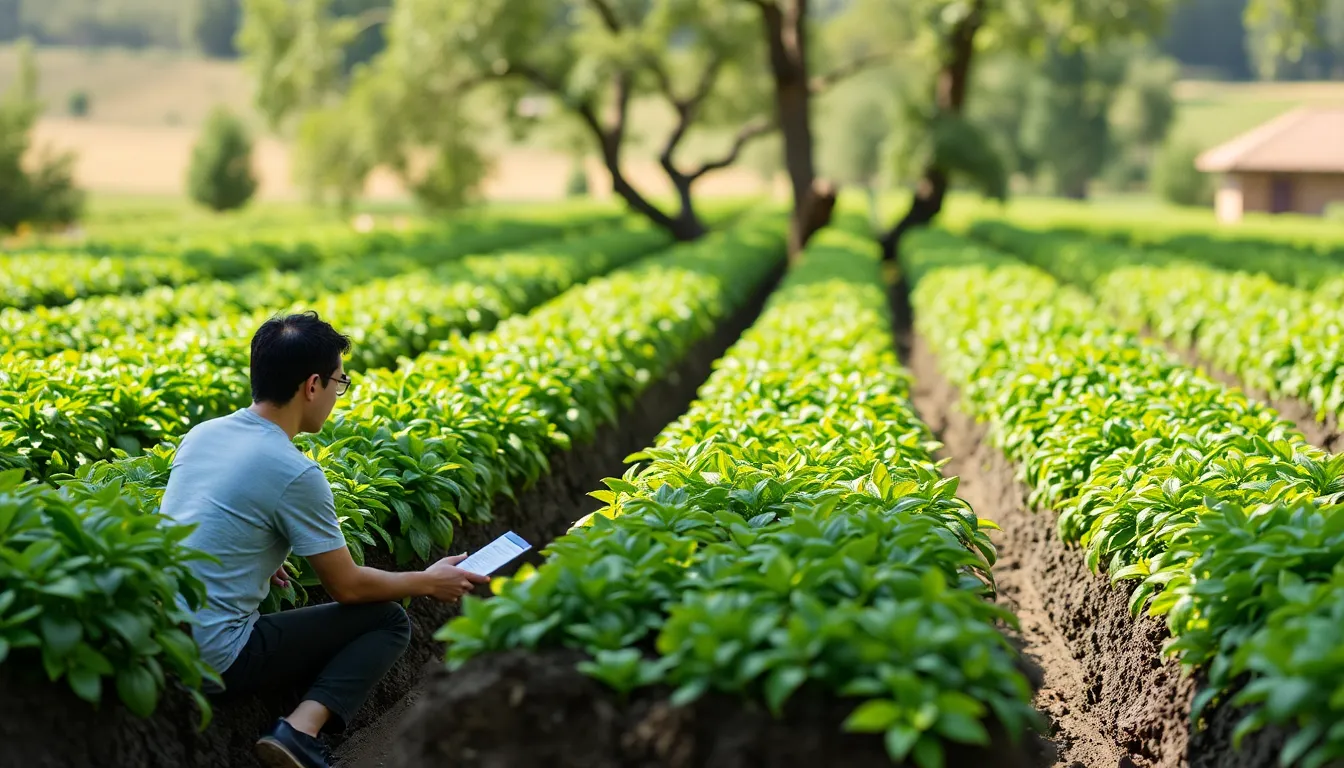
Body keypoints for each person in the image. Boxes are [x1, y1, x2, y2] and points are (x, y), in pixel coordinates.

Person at [160, 311, 490, 768]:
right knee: (388, 621)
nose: (339, 393)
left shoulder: (202, 435)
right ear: (312, 385)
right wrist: (428, 581)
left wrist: (252, 554)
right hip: (215, 656)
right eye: (340, 381)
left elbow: (196, 518)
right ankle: (297, 731)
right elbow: (348, 587)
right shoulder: (293, 470)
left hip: (163, 635)